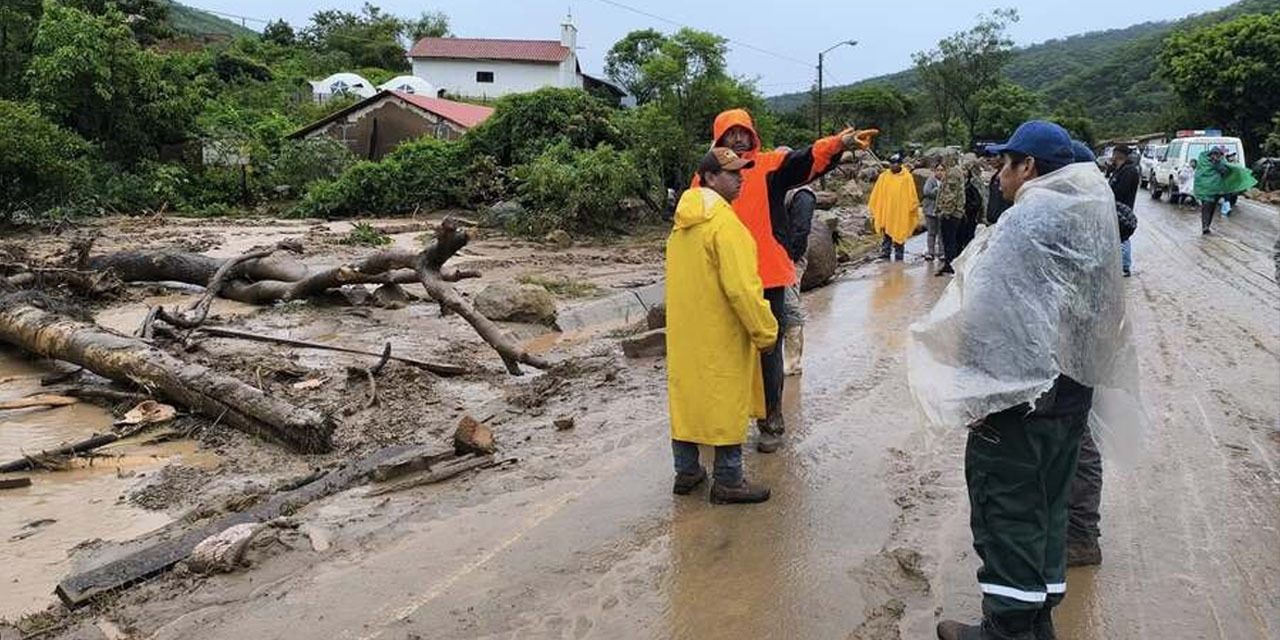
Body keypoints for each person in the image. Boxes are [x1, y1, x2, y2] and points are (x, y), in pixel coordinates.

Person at [909, 121, 1139, 640]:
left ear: (1028, 167)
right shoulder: (1089, 221)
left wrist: (977, 392)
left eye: (1004, 163)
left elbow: (987, 315)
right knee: (1050, 510)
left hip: (1019, 402)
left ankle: (1005, 631)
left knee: (1007, 512)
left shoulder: (1026, 222)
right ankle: (1037, 622)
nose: (997, 172)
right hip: (1071, 398)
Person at [692, 109, 876, 453]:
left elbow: (806, 159)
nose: (738, 138)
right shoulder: (705, 177)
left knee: (768, 349)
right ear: (718, 139)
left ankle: (771, 419)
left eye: (743, 132)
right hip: (720, 278)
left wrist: (840, 142)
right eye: (730, 133)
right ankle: (719, 422)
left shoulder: (767, 165)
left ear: (752, 135)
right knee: (721, 352)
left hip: (768, 274)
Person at [666, 148, 779, 504]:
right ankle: (728, 480)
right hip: (722, 334)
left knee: (688, 401)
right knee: (725, 401)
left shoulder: (681, 225)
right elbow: (744, 289)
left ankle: (687, 472)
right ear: (710, 177)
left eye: (742, 171)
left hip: (686, 336)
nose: (740, 178)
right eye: (732, 173)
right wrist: (765, 331)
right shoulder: (725, 225)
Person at [782, 184, 816, 376]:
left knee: (790, 306)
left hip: (789, 259)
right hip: (773, 256)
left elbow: (801, 229)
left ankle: (793, 362)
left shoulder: (801, 194)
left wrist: (790, 257)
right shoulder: (778, 188)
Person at [868, 153, 921, 262]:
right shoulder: (884, 177)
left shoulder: (907, 177)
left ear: (901, 164)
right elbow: (877, 193)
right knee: (886, 232)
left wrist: (912, 207)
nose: (894, 166)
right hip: (887, 211)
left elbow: (911, 195)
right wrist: (878, 208)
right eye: (892, 164)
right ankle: (885, 252)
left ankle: (899, 254)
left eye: (896, 164)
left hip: (900, 212)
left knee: (899, 232)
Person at [1195, 146, 1258, 234]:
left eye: (1218, 155)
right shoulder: (1203, 162)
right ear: (1210, 154)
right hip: (1205, 190)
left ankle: (1207, 226)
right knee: (1206, 207)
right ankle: (1205, 226)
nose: (1216, 156)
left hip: (1216, 190)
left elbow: (1225, 172)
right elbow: (1200, 174)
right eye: (1214, 154)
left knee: (1212, 208)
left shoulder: (1221, 162)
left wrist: (1217, 164)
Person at [1109, 144, 1140, 277]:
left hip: (1123, 208)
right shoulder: (1120, 169)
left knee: (1123, 236)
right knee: (1117, 235)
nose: (1112, 157)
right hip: (1116, 207)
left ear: (1119, 154)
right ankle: (1119, 264)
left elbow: (1121, 190)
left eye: (1113, 154)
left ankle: (1125, 266)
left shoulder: (1129, 170)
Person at [935, 155, 966, 275]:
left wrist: (945, 212)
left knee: (949, 240)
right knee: (952, 240)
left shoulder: (952, 174)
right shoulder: (956, 171)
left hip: (951, 214)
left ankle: (950, 265)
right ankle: (951, 264)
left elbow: (950, 195)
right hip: (956, 212)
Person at [922, 164, 945, 260]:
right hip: (930, 210)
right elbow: (927, 192)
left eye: (942, 170)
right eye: (938, 170)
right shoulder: (930, 180)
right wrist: (938, 191)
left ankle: (941, 253)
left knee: (941, 233)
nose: (939, 172)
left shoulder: (946, 181)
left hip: (942, 211)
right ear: (934, 171)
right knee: (931, 232)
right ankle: (930, 252)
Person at [986, 155, 1011, 224]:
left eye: (994, 156)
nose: (990, 159)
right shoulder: (995, 177)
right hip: (992, 220)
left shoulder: (1010, 178)